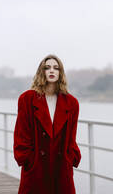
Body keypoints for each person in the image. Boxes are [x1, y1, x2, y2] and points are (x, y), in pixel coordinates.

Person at [13, 54, 81, 194]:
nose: (51, 71)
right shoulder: (27, 99)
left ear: (60, 73)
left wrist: (69, 158)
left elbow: (71, 139)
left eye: (56, 68)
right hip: (36, 167)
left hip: (61, 167)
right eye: (47, 67)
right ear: (41, 72)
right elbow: (21, 134)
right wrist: (28, 160)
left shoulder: (72, 103)